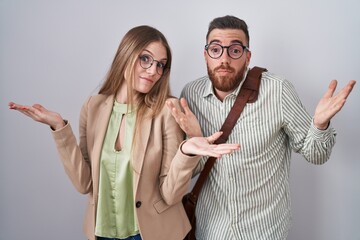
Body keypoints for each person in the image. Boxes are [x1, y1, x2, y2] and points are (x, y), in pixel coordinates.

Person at [8, 25, 240, 240]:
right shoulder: (93, 106)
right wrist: (60, 128)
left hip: (153, 233)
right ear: (126, 55)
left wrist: (186, 153)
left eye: (160, 64)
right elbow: (84, 183)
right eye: (145, 59)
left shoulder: (166, 111)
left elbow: (170, 195)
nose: (153, 70)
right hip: (102, 232)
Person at [167, 16, 356, 240]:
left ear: (248, 57)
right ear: (205, 55)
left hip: (263, 231)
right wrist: (195, 141)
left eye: (235, 50)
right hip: (210, 230)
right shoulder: (191, 95)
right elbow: (193, 170)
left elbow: (316, 155)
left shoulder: (278, 90)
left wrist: (320, 124)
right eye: (216, 49)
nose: (224, 59)